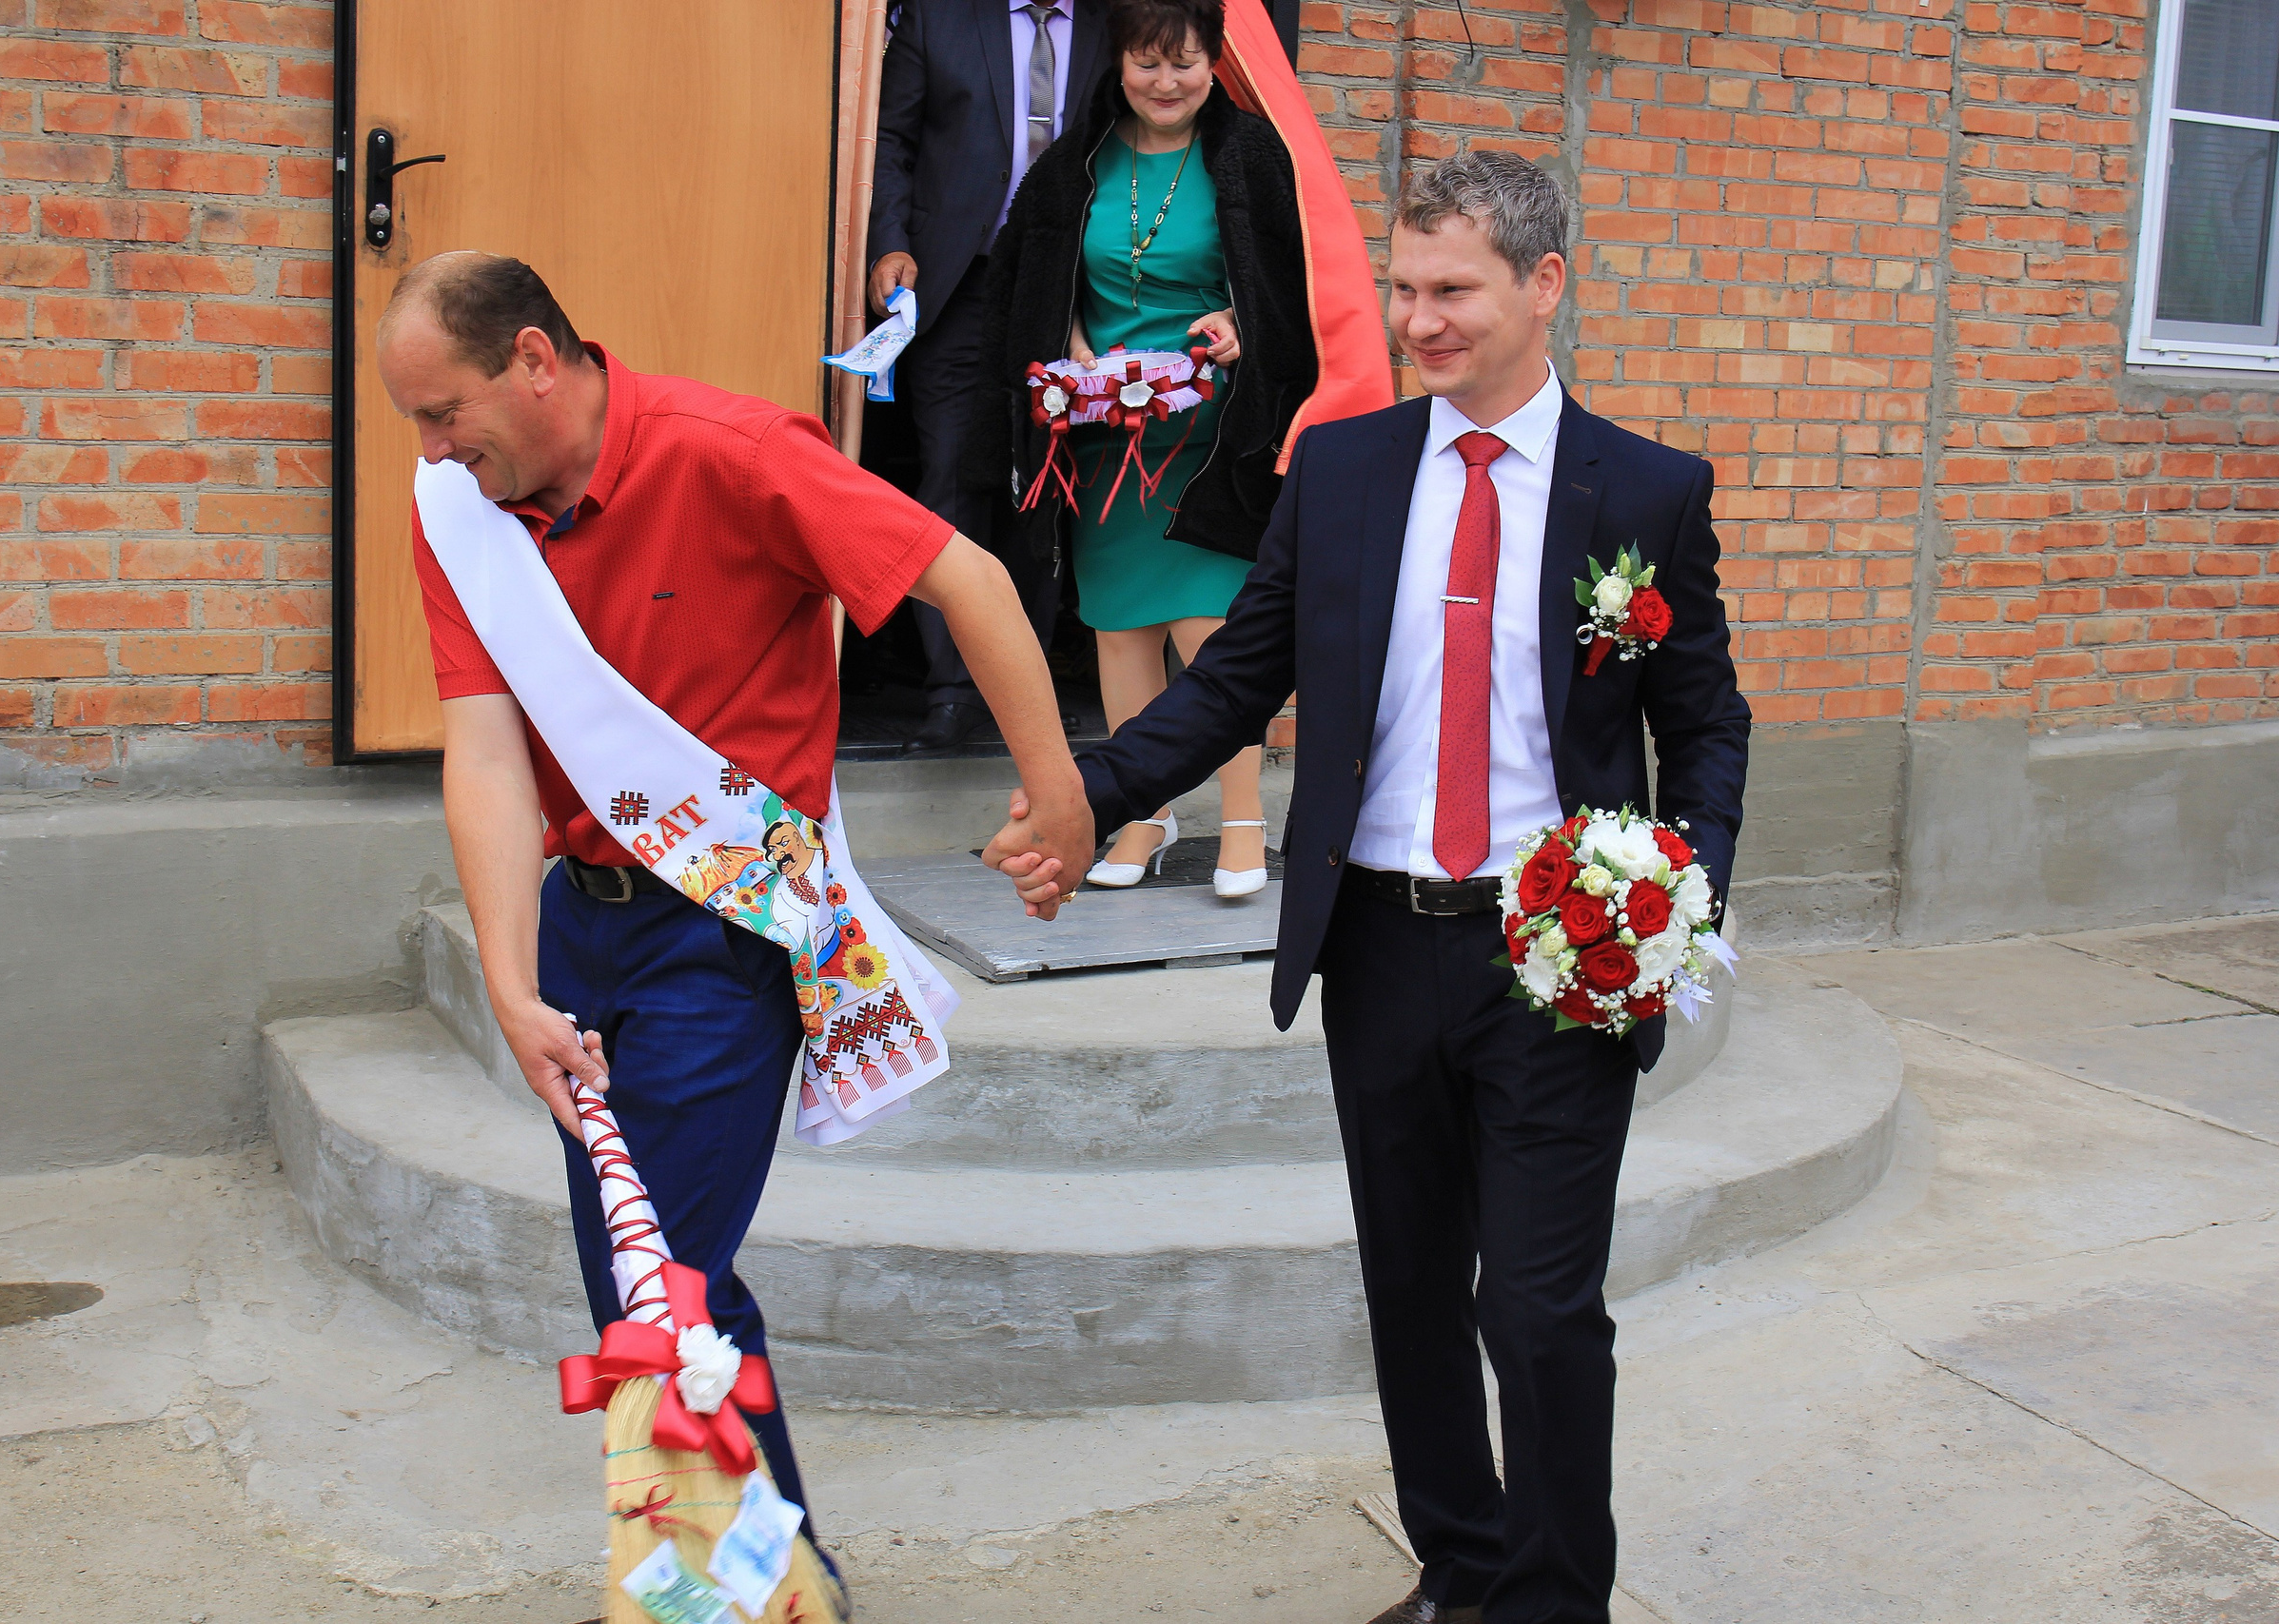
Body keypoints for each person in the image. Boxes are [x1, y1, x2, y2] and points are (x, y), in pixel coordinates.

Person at [989, 152, 1751, 1623]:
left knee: (1535, 1310)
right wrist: (1095, 798)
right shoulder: (1341, 472)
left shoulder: (1646, 489)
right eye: (1403, 288)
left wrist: (1682, 885)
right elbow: (1236, 679)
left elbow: (1705, 719)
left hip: (1562, 949)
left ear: (1545, 284)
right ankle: (1460, 1569)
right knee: (1410, 1290)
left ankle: (1548, 1600)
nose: (1420, 321)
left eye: (1451, 289)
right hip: (1379, 944)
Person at [377, 252, 1093, 1537]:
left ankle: (730, 1583)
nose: (431, 450)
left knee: (672, 1293)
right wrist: (510, 977)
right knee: (638, 1285)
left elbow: (968, 575)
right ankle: (756, 1575)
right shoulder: (463, 510)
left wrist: (1060, 791)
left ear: (535, 361)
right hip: (584, 923)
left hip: (726, 932)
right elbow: (482, 749)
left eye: (445, 414)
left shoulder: (733, 450)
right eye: (416, 424)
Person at [971, 0, 1314, 897]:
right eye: (1146, 62)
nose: (1166, 82)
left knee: (1212, 632)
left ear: (1216, 64)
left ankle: (1244, 823)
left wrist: (1244, 322)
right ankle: (1142, 817)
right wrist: (1070, 338)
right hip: (1103, 430)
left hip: (1207, 435)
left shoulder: (1250, 155)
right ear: (1117, 62)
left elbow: (1296, 279)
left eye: (1186, 63)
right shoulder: (1074, 163)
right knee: (1121, 632)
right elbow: (1033, 271)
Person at [870, 0, 1112, 755]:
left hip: (1066, 288)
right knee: (948, 478)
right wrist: (888, 242)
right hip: (956, 285)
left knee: (1042, 490)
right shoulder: (940, 18)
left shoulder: (1116, 23)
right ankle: (950, 690)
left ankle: (1024, 690)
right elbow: (890, 141)